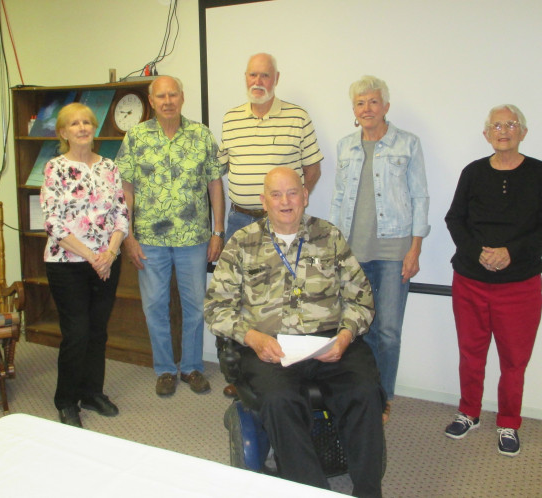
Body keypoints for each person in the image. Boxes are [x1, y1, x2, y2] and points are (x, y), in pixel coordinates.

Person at [205, 167, 385, 498]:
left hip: (330, 340)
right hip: (268, 345)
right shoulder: (242, 243)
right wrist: (253, 338)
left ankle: (368, 490)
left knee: (364, 389)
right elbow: (216, 308)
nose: (285, 201)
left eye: (292, 193)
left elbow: (361, 300)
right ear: (263, 201)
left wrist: (345, 336)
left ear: (304, 196)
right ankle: (311, 490)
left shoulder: (329, 236)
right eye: (276, 194)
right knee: (279, 399)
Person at [444, 104, 542, 457]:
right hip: (470, 279)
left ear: (523, 132)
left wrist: (511, 252)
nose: (503, 130)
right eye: (496, 125)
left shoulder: (540, 172)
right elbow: (455, 219)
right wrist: (478, 251)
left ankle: (509, 422)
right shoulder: (473, 172)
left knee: (514, 359)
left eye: (511, 124)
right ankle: (469, 412)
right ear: (486, 134)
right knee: (470, 352)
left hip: (520, 283)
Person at [217, 52, 324, 397]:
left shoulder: (297, 117)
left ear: (276, 79)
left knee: (280, 302)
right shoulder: (231, 119)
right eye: (252, 75)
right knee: (239, 301)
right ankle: (241, 375)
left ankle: (281, 372)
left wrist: (293, 203)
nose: (257, 82)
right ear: (244, 78)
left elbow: (313, 168)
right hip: (239, 220)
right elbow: (221, 167)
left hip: (281, 224)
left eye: (265, 76)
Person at [115, 75, 226, 397]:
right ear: (151, 101)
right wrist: (128, 236)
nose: (167, 101)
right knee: (154, 306)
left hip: (194, 238)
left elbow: (215, 184)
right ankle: (164, 369)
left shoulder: (201, 135)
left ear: (182, 97)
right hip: (148, 239)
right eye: (161, 96)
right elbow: (125, 189)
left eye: (173, 94)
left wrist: (218, 231)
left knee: (194, 306)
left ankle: (191, 367)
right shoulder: (135, 137)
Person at [330, 75, 430, 423]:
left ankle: (384, 397)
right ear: (354, 110)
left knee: (388, 331)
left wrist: (415, 248)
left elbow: (420, 197)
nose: (367, 108)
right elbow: (339, 197)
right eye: (360, 103)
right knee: (363, 329)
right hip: (354, 252)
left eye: (373, 102)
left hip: (393, 252)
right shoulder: (345, 146)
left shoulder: (408, 144)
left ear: (386, 106)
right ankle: (367, 394)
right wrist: (334, 249)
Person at [41, 102, 129, 427]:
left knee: (97, 332)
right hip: (67, 263)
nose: (82, 128)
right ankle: (66, 400)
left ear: (94, 128)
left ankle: (92, 392)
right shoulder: (54, 168)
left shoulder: (109, 166)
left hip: (107, 261)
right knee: (76, 333)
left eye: (87, 122)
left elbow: (121, 214)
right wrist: (94, 257)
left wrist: (110, 252)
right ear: (63, 132)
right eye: (74, 124)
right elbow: (53, 223)